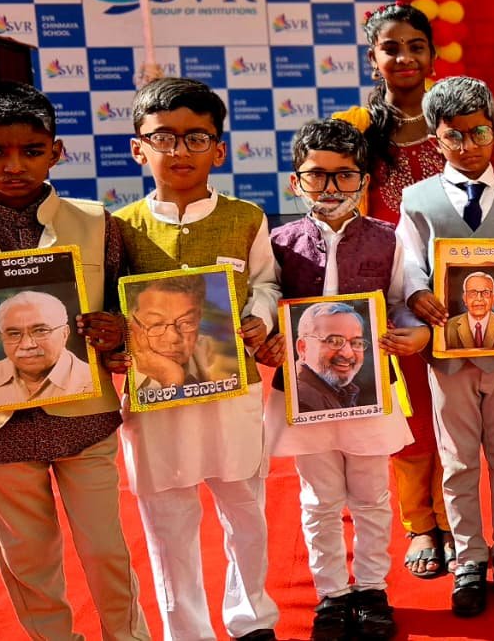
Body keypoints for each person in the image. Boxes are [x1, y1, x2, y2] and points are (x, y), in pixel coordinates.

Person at [0, 81, 148, 640]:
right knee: (27, 564)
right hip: (0, 429)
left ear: (56, 150)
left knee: (106, 553)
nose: (13, 166)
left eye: (31, 150)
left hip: (86, 420)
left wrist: (115, 331)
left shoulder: (99, 223)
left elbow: (128, 316)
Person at [112, 77, 280, 640]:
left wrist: (262, 316)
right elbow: (107, 307)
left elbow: (266, 284)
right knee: (167, 520)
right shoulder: (118, 228)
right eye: (164, 137)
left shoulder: (247, 217)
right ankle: (186, 630)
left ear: (219, 148)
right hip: (155, 397)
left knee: (246, 511)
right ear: (138, 147)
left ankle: (251, 617)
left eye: (195, 137)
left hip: (234, 391)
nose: (179, 151)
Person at [261, 117, 429, 640]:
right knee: (319, 498)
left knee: (373, 495)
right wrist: (267, 338)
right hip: (304, 397)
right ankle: (332, 592)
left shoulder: (388, 238)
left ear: (365, 181)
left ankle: (374, 588)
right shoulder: (278, 241)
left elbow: (403, 303)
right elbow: (265, 300)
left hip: (371, 391)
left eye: (345, 175)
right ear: (295, 181)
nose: (331, 187)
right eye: (317, 175)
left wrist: (414, 332)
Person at [396, 76, 494, 617]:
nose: (468, 143)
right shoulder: (418, 200)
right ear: (437, 138)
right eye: (454, 135)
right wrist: (416, 293)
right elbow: (408, 263)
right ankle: (469, 558)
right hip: (447, 354)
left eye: (478, 131)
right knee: (457, 460)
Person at [357, 2, 453, 580]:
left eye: (416, 45)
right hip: (391, 292)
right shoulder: (359, 130)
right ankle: (421, 523)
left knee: (460, 410)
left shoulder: (455, 120)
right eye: (392, 48)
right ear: (375, 60)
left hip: (463, 285)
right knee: (412, 410)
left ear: (432, 55)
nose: (405, 57)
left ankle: (460, 520)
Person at [0, 291, 93, 409]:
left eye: (40, 331)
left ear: (64, 333)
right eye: (14, 334)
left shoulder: (92, 382)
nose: (27, 345)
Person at [123, 274, 223, 399]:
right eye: (156, 323)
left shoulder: (213, 352)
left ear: (199, 317)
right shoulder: (119, 362)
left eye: (186, 322)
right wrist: (170, 379)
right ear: (131, 323)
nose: (173, 337)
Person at [293, 303, 374, 412]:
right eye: (334, 341)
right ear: (303, 348)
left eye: (356, 343)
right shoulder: (302, 401)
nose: (348, 354)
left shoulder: (339, 393)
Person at [444, 271, 494, 350]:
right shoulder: (449, 327)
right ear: (464, 298)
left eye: (485, 293)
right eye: (472, 293)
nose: (479, 298)